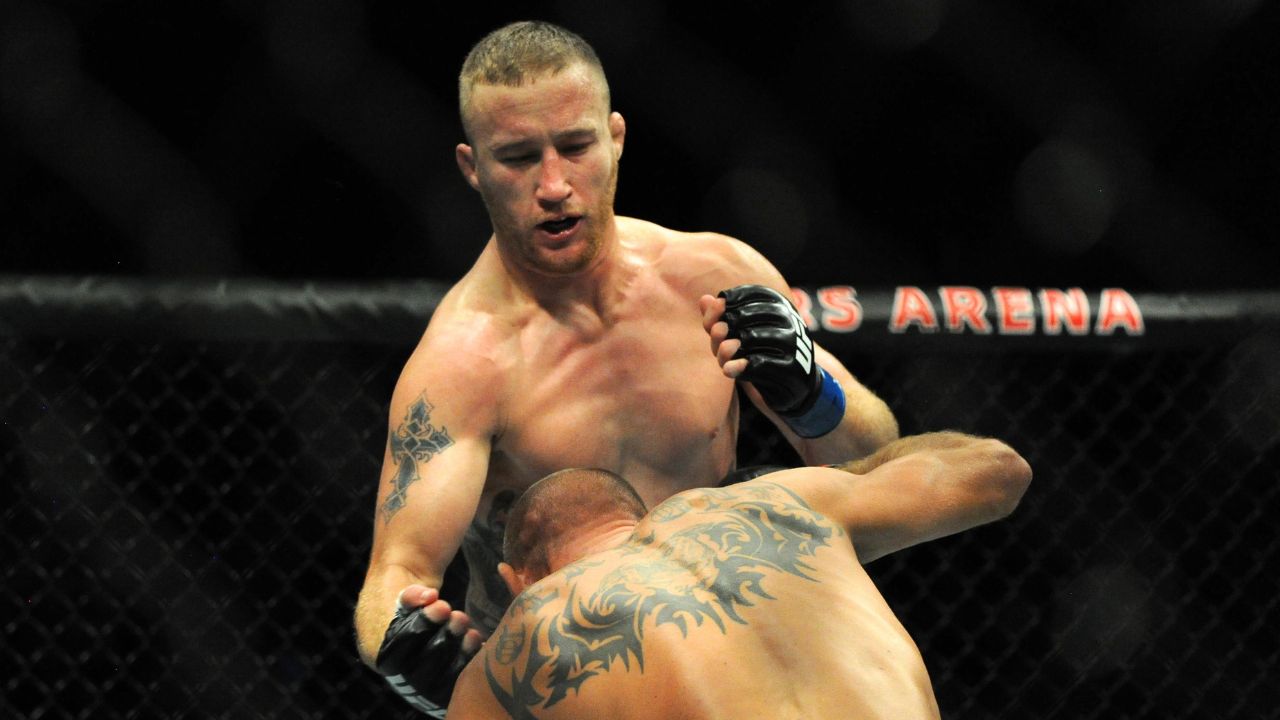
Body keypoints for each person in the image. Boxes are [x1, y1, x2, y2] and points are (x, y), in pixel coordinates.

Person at [353, 20, 899, 715]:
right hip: (566, 690)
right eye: (518, 157)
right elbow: (392, 576)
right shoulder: (466, 362)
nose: (553, 184)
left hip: (736, 658)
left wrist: (809, 394)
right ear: (472, 168)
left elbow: (880, 459)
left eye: (575, 146)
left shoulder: (717, 275)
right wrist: (407, 647)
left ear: (614, 137)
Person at [445, 432, 1032, 719]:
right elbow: (1000, 471)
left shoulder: (528, 627)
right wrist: (843, 474)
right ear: (641, 516)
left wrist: (451, 695)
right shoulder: (776, 504)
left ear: (516, 577)